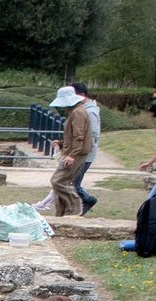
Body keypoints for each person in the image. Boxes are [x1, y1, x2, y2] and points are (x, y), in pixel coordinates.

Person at [46, 86, 95, 218]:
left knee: (57, 180)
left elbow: (79, 136)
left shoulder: (77, 113)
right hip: (71, 152)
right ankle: (61, 213)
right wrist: (61, 144)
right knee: (61, 182)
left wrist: (72, 155)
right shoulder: (76, 111)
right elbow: (73, 135)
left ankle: (75, 207)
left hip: (76, 154)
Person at [75, 83, 102, 215]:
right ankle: (86, 200)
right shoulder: (83, 109)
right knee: (73, 182)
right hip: (80, 152)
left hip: (85, 154)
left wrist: (82, 148)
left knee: (73, 182)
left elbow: (94, 135)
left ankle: (88, 200)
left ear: (81, 95)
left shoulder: (90, 112)